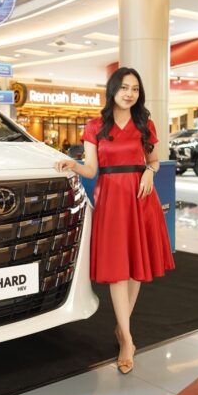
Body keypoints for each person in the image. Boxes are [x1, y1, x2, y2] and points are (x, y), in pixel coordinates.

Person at [55, 67, 174, 374]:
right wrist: (72, 164)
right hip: (112, 200)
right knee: (119, 269)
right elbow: (92, 170)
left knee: (136, 267)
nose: (129, 93)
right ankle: (127, 340)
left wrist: (149, 172)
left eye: (135, 88)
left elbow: (154, 161)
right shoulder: (95, 126)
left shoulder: (144, 123)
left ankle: (123, 329)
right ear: (113, 90)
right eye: (124, 87)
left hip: (141, 198)